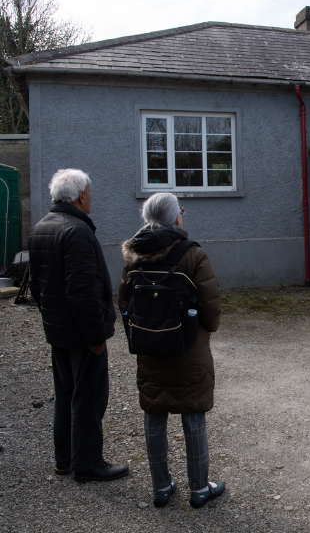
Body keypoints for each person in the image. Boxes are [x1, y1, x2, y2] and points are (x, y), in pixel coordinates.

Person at [118, 192, 224, 509]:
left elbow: (124, 301)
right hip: (187, 346)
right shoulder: (192, 254)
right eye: (180, 209)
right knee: (192, 413)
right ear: (174, 217)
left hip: (150, 345)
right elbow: (210, 304)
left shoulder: (134, 255)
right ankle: (199, 488)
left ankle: (162, 487)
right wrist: (206, 328)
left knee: (155, 412)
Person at [28, 169, 129, 482]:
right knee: (87, 398)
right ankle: (87, 464)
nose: (91, 198)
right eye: (89, 192)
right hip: (81, 334)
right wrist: (96, 335)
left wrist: (50, 320)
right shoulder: (77, 231)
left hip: (57, 331)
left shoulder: (42, 227)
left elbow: (36, 285)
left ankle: (65, 460)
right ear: (81, 195)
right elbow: (82, 289)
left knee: (66, 395)